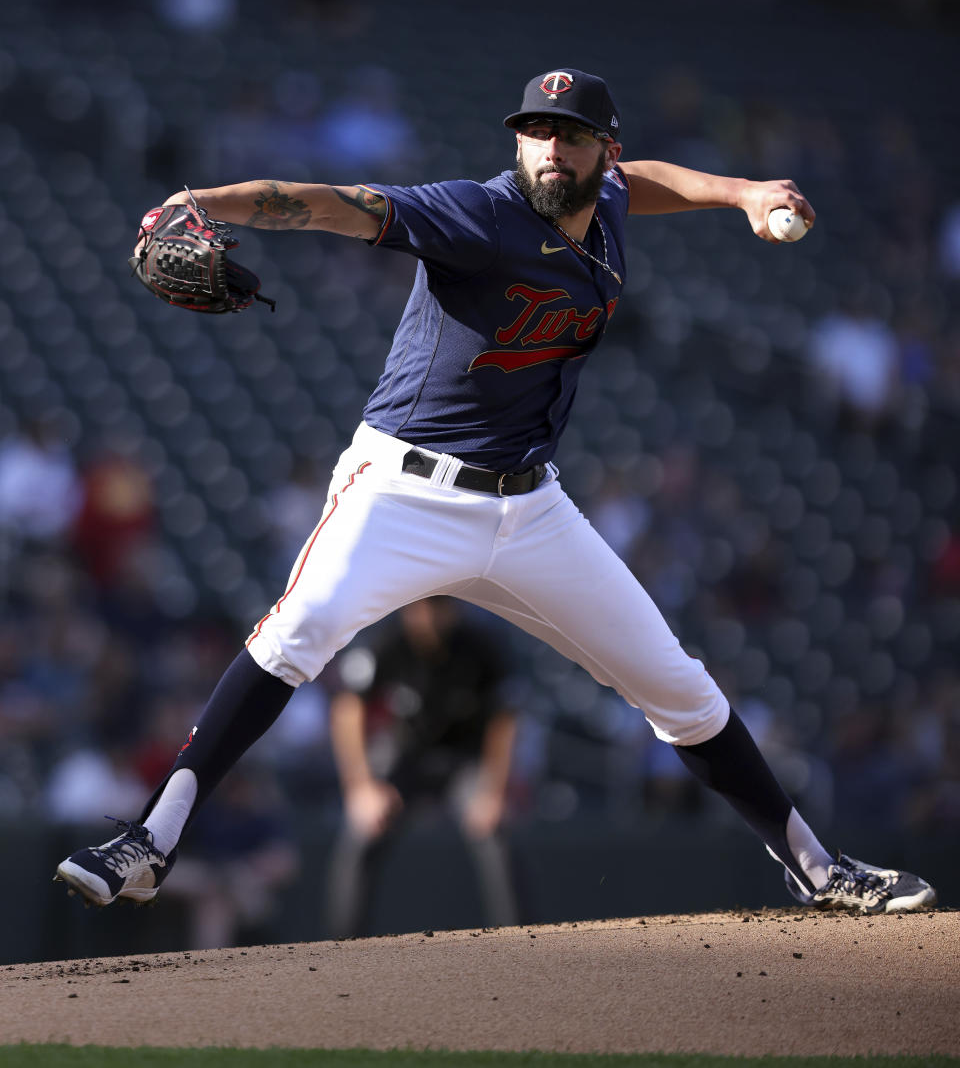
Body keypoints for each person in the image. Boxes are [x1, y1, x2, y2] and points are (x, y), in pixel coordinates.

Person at [55, 68, 936, 917]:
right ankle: (149, 843)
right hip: (403, 489)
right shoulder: (479, 213)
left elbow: (647, 182)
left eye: (571, 135)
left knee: (681, 689)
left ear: (603, 149)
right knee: (296, 634)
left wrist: (740, 190)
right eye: (535, 132)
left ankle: (818, 868)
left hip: (529, 508)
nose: (549, 147)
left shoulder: (608, 203)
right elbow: (327, 198)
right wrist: (204, 205)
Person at [326, 597, 519, 937]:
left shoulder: (480, 645)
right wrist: (360, 787)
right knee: (363, 830)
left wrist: (493, 792)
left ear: (455, 608)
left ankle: (522, 941)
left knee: (495, 832)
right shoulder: (387, 642)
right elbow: (347, 709)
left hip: (463, 760)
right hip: (404, 758)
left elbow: (503, 720)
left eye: (439, 607)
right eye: (422, 607)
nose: (429, 617)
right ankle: (341, 946)